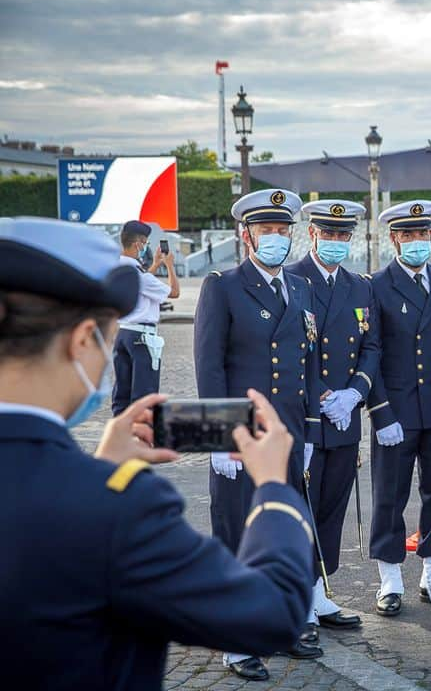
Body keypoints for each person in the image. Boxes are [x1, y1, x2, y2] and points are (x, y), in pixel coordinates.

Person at [0, 217, 314, 691]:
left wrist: (98, 472)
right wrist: (272, 490)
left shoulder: (98, 496)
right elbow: (271, 613)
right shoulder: (119, 509)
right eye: (108, 340)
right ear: (83, 340)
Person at [194, 189, 325, 680]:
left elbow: (309, 362)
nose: (275, 238)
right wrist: (217, 435)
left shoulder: (300, 288)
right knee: (236, 530)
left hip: (287, 433)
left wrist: (308, 429)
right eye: (265, 230)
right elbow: (208, 364)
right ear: (245, 235)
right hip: (241, 433)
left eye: (281, 230)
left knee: (285, 530)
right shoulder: (222, 286)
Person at [366, 200, 431, 617]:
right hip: (396, 408)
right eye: (407, 235)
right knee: (390, 496)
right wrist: (379, 411)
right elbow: (369, 352)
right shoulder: (375, 284)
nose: (416, 242)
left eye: (422, 234)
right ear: (394, 239)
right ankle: (390, 579)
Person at [287, 200, 380, 638]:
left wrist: (354, 393)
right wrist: (320, 395)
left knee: (332, 508)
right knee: (301, 508)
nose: (338, 242)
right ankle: (297, 597)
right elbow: (289, 351)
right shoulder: (292, 281)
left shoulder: (360, 287)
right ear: (312, 234)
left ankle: (321, 588)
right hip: (307, 417)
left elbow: (372, 347)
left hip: (344, 417)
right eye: (331, 234)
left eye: (345, 235)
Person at [111, 220, 179, 416]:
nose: (146, 248)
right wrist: (169, 266)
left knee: (122, 392)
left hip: (123, 333)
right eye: (146, 243)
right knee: (144, 394)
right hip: (141, 336)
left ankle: (121, 434)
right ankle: (142, 439)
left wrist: (156, 264)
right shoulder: (139, 273)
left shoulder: (119, 267)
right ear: (138, 244)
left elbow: (140, 285)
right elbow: (174, 292)